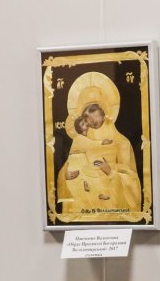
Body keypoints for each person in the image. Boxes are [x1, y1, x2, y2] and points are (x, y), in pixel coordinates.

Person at [56, 74, 142, 215]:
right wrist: (65, 175)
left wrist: (110, 172)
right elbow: (70, 165)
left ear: (105, 110)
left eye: (93, 110)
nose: (90, 118)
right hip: (82, 209)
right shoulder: (80, 141)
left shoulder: (122, 143)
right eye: (85, 115)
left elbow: (133, 185)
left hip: (111, 209)